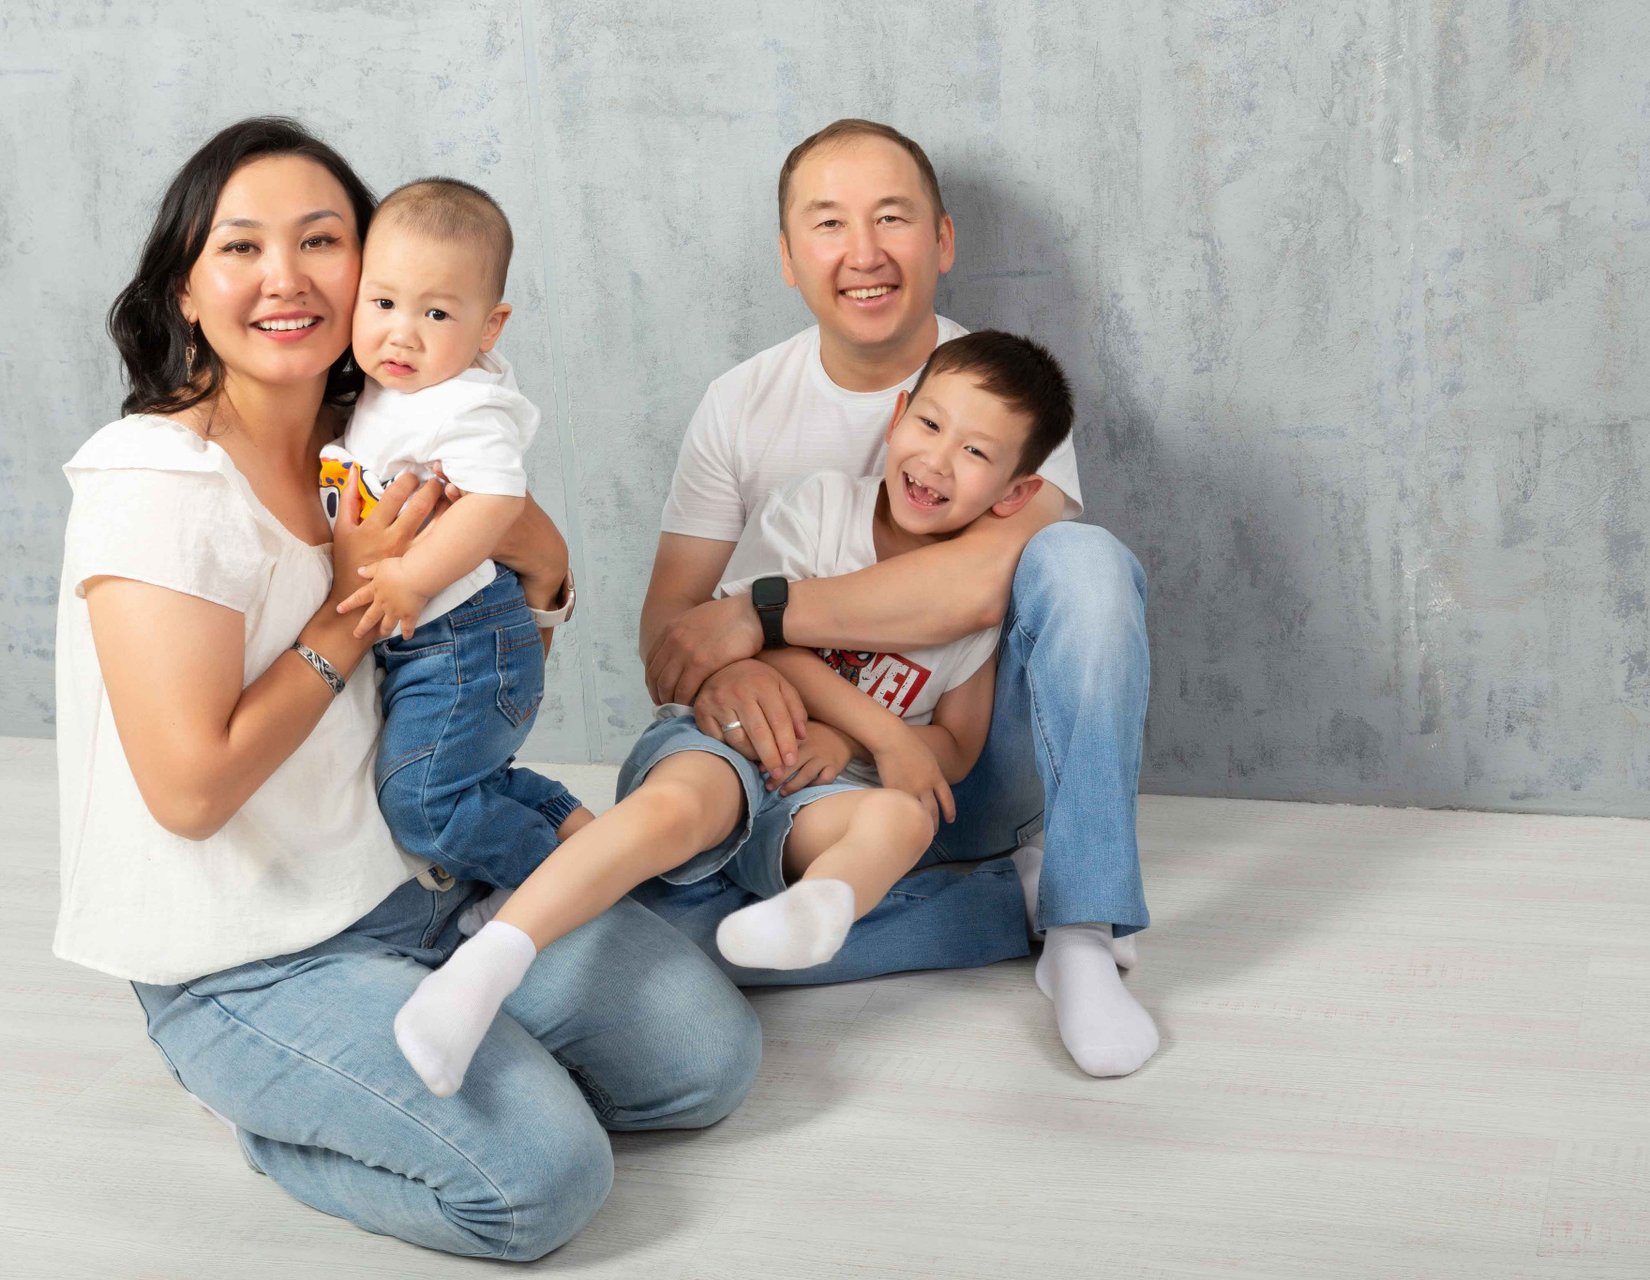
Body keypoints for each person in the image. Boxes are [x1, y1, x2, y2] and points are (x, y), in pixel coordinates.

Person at [53, 117, 758, 1263]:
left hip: (417, 882)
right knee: (542, 1183)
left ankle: (430, 1045)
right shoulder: (159, 482)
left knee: (705, 1063)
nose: (286, 277)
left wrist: (530, 576)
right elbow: (190, 792)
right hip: (251, 954)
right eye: (241, 247)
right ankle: (271, 1110)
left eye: (320, 241)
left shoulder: (384, 433)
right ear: (185, 287)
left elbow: (520, 592)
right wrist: (354, 600)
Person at [393, 330, 1074, 1099]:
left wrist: (849, 743)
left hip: (820, 790)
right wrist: (879, 732)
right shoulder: (819, 508)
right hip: (726, 741)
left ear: (1014, 495)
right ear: (896, 418)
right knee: (682, 806)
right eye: (929, 425)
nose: (939, 461)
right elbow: (752, 646)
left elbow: (953, 745)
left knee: (902, 819)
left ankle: (813, 911)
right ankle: (485, 968)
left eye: (977, 453)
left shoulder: (976, 608)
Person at [637, 118, 1159, 1078]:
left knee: (1086, 562)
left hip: (960, 762)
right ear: (788, 256)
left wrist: (757, 615)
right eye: (828, 223)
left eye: (892, 218)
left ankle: (1084, 928)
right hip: (806, 768)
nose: (865, 253)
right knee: (670, 941)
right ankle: (1013, 906)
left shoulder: (1002, 393)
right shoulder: (740, 403)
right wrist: (724, 679)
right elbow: (672, 631)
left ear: (943, 240)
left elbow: (975, 589)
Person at [322, 178, 589, 892]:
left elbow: (498, 499)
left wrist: (414, 577)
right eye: (382, 303)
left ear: (489, 328)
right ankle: (582, 833)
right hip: (434, 639)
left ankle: (564, 889)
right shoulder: (389, 385)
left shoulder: (467, 403)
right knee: (467, 778)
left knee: (422, 805)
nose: (402, 333)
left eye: (436, 313)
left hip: (464, 638)